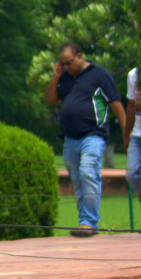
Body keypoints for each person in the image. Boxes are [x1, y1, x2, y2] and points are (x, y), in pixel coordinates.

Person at [44, 42, 125, 237]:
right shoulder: (64, 77)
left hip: (93, 135)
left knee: (88, 171)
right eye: (62, 64)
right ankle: (84, 223)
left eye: (69, 63)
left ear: (79, 56)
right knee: (77, 179)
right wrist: (55, 78)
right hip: (70, 138)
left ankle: (89, 222)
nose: (66, 67)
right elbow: (51, 99)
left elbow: (115, 101)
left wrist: (126, 129)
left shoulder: (99, 74)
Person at [126, 66, 139, 197]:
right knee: (131, 174)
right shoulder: (133, 74)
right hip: (137, 134)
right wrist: (126, 133)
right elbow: (130, 106)